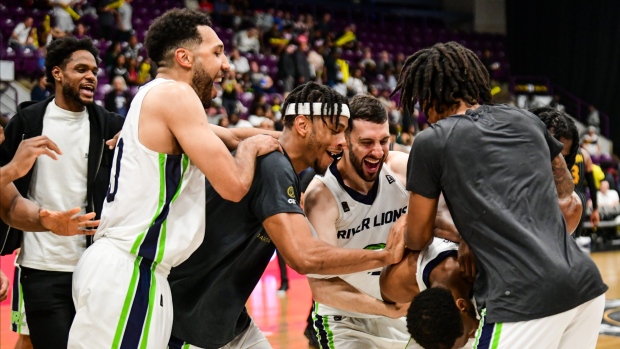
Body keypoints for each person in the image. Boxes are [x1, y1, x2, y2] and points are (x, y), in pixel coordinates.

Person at [67, 9, 281, 348]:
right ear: (184, 57)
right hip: (130, 270)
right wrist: (253, 148)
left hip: (130, 271)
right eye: (216, 52)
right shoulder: (176, 96)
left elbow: (231, 135)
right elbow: (234, 185)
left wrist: (299, 140)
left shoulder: (155, 97)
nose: (225, 64)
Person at [392, 41, 607, 349]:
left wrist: (466, 233)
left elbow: (416, 236)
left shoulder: (431, 141)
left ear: (428, 98)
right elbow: (566, 195)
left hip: (521, 298)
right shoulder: (526, 119)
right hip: (584, 285)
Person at [167, 83, 405, 349]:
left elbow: (243, 135)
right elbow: (304, 256)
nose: (343, 142)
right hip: (187, 322)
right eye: (336, 130)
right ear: (303, 126)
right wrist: (384, 255)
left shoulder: (277, 158)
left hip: (226, 321)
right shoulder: (274, 167)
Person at [0, 36, 125, 349]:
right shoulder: (27, 123)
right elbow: (3, 197)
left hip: (96, 266)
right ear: (57, 73)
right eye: (81, 69)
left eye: (94, 70)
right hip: (42, 265)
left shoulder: (109, 125)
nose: (91, 76)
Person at [303, 94, 411, 349]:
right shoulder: (321, 197)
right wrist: (386, 309)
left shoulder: (401, 169)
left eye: (384, 141)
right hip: (345, 319)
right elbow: (321, 286)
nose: (378, 151)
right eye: (366, 142)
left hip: (402, 313)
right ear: (344, 141)